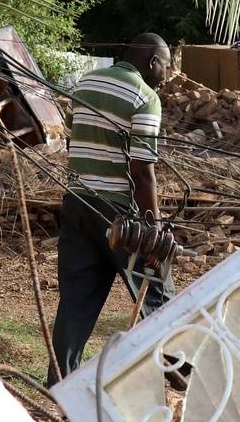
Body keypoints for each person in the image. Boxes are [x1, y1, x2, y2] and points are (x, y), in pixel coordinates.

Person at [51, 33, 170, 377]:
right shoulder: (144, 96)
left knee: (75, 303)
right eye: (166, 65)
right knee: (157, 295)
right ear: (151, 62)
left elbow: (77, 135)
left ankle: (59, 384)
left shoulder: (85, 83)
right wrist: (155, 230)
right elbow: (142, 172)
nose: (166, 74)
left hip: (77, 204)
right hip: (120, 213)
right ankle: (183, 374)